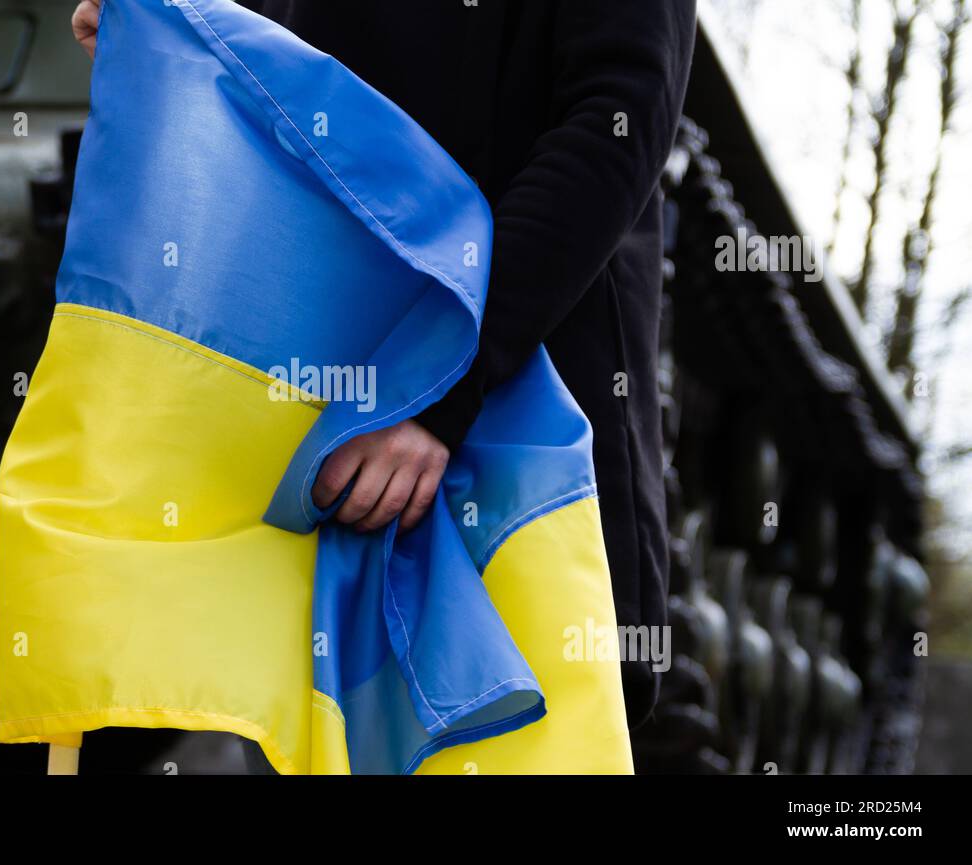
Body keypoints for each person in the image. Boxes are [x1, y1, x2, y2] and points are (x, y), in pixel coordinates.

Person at [72, 0, 696, 731]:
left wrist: (435, 382)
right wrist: (170, 28)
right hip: (313, 476)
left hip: (510, 468)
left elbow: (616, 121)